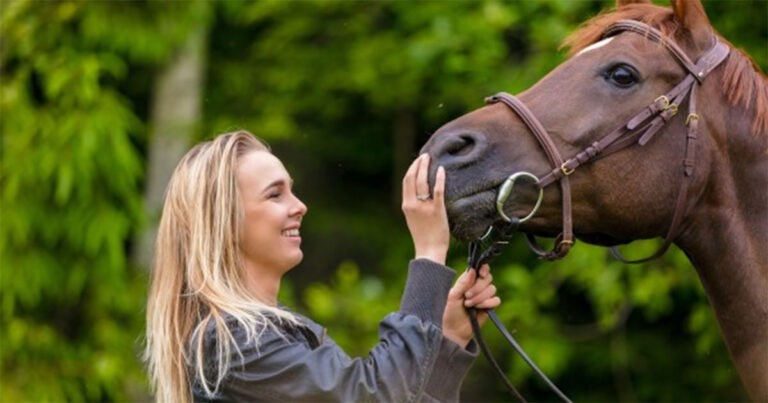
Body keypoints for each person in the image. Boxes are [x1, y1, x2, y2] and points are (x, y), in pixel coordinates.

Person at [144, 130, 501, 402]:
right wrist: (428, 253)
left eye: (292, 190)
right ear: (223, 221)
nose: (299, 206)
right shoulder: (231, 344)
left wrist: (448, 339)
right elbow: (374, 395)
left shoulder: (267, 338)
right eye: (274, 194)